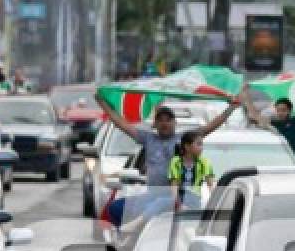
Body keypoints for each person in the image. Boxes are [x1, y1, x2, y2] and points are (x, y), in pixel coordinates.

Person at [96, 89, 244, 226]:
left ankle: (136, 229)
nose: (164, 123)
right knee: (115, 208)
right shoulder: (148, 139)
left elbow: (210, 127)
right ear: (155, 124)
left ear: (175, 123)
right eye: (160, 120)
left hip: (178, 196)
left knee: (158, 207)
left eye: (168, 120)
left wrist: (230, 108)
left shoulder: (185, 139)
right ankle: (128, 240)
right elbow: (121, 123)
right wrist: (102, 102)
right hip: (152, 195)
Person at [168, 131, 217, 210]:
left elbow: (211, 185)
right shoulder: (175, 161)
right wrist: (177, 203)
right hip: (179, 200)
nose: (201, 148)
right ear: (187, 146)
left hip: (195, 200)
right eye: (198, 144)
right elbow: (174, 185)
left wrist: (216, 203)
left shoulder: (204, 162)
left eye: (202, 145)